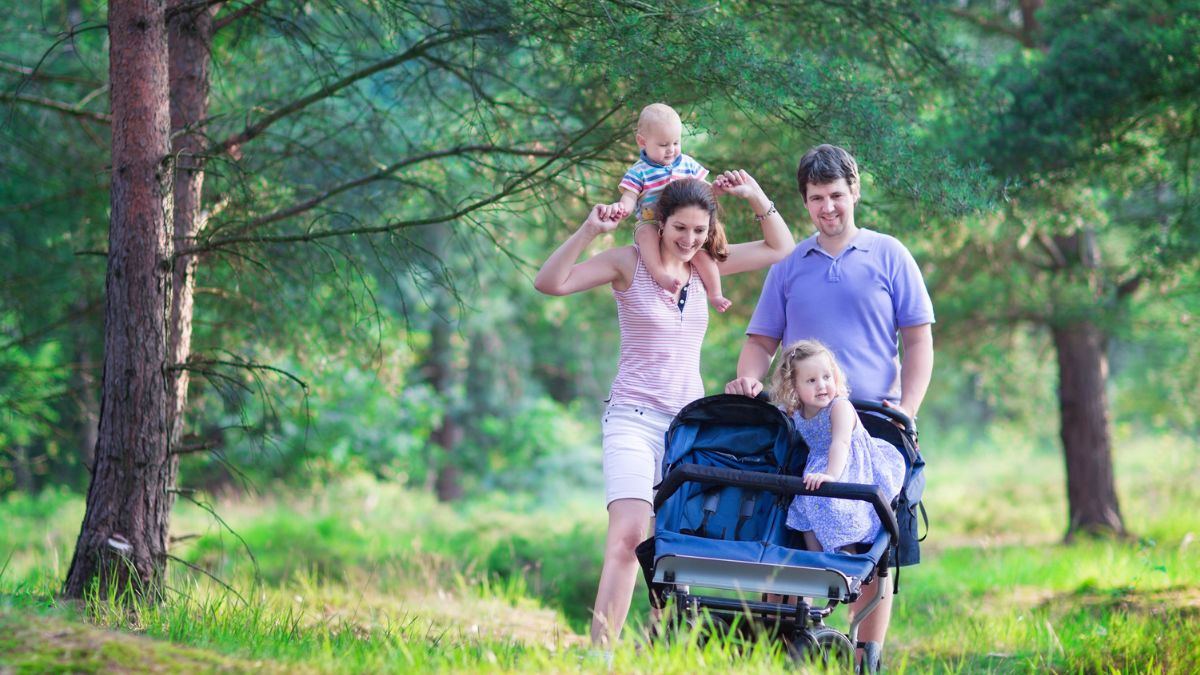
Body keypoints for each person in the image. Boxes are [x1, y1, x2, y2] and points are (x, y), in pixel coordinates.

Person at [535, 173, 795, 649]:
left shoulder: (704, 266)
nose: (690, 240)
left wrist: (755, 195)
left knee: (672, 542)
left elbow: (780, 246)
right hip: (632, 419)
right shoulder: (626, 263)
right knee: (629, 534)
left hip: (685, 428)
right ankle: (601, 656)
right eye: (680, 229)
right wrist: (590, 230)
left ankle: (659, 648)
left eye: (699, 231)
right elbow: (549, 282)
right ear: (659, 222)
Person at [725, 143, 934, 665]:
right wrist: (748, 379)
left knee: (875, 552)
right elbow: (760, 341)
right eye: (816, 198)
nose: (828, 208)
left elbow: (918, 340)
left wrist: (908, 407)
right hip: (803, 428)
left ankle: (867, 657)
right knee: (790, 531)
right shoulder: (791, 264)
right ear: (805, 201)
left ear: (854, 191)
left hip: (878, 422)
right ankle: (787, 646)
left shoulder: (890, 254)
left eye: (836, 195)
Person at [769, 339, 905, 554]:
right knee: (805, 508)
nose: (822, 385)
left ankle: (845, 562)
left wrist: (831, 475)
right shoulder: (794, 411)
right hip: (819, 464)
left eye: (826, 377)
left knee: (838, 508)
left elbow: (840, 443)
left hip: (852, 464)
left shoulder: (839, 407)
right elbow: (775, 416)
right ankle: (818, 561)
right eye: (811, 380)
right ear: (793, 386)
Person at [606, 103, 731, 312]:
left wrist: (717, 188)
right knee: (646, 234)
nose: (671, 150)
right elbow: (629, 197)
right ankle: (660, 274)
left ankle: (716, 293)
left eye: (676, 142)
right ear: (642, 142)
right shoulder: (639, 172)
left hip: (682, 223)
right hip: (651, 221)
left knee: (702, 255)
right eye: (663, 145)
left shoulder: (687, 164)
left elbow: (704, 191)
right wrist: (622, 209)